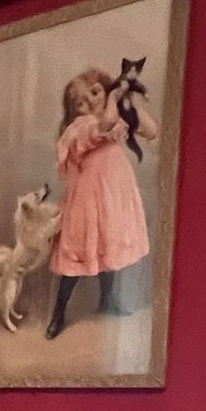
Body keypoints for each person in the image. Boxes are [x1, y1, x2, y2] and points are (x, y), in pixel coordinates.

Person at [44, 66, 158, 340]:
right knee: (80, 251)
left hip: (113, 193)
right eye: (81, 100)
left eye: (95, 92)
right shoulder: (80, 127)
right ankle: (58, 314)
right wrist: (112, 99)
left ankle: (107, 301)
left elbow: (151, 130)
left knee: (109, 248)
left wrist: (124, 102)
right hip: (88, 196)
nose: (90, 101)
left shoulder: (113, 113)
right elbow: (103, 126)